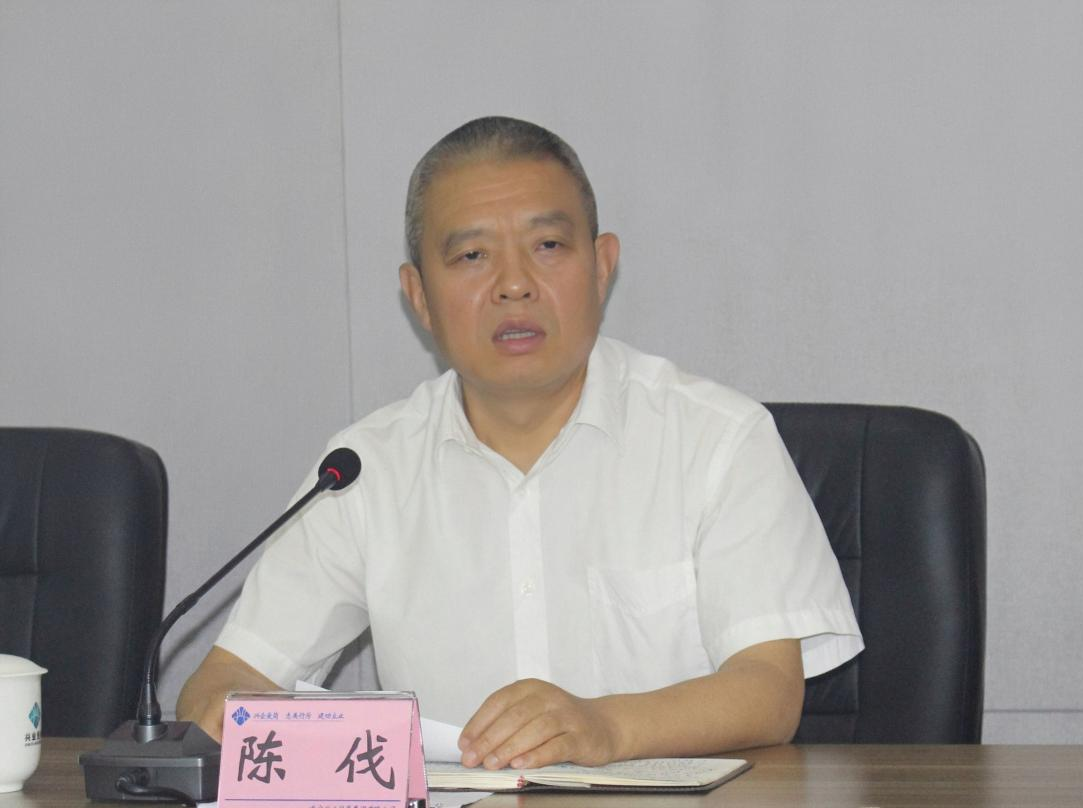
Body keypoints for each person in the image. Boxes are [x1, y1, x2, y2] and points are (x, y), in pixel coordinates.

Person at [177, 116, 862, 770]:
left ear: (602, 265)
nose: (513, 285)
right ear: (419, 296)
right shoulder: (364, 470)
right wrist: (225, 713)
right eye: (472, 256)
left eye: (548, 247)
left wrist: (605, 727)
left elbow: (768, 691)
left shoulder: (718, 440)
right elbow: (230, 680)